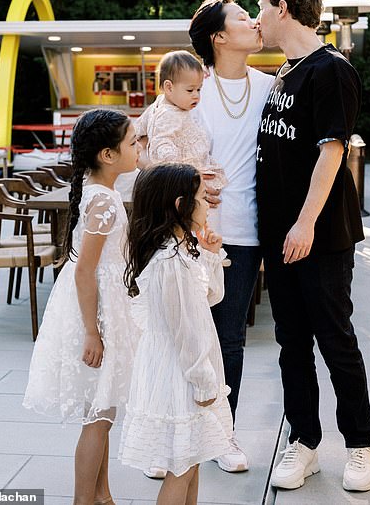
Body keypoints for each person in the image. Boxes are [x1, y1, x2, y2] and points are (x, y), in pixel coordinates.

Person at [255, 0, 370, 492]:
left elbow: (333, 152)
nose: (257, 17)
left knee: (335, 340)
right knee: (291, 343)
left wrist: (304, 223)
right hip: (280, 237)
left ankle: (361, 447)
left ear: (283, 7)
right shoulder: (285, 69)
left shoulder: (331, 69)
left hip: (319, 237)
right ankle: (304, 442)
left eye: (261, 6)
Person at [23, 109, 140, 505]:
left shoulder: (97, 191)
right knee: (100, 416)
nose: (139, 147)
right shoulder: (104, 201)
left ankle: (102, 494)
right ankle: (83, 500)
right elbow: (85, 270)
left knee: (101, 411)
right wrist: (94, 331)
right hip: (100, 311)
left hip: (102, 304)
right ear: (108, 155)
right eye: (132, 142)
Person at [187, 0, 273, 472]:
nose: (253, 21)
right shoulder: (192, 89)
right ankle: (178, 433)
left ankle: (224, 435)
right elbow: (162, 147)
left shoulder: (273, 86)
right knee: (183, 334)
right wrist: (193, 182)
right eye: (242, 17)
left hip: (246, 232)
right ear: (219, 37)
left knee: (229, 337)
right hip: (193, 233)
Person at [119, 163, 233, 505]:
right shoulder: (171, 261)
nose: (209, 203)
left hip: (185, 367)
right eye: (202, 197)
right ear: (181, 205)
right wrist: (203, 380)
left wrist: (211, 256)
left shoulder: (182, 251)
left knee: (193, 461)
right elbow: (186, 330)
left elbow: (210, 298)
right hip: (181, 374)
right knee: (181, 467)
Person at [135, 50, 227, 230]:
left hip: (191, 175)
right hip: (186, 179)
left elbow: (138, 129)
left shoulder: (159, 104)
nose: (196, 96)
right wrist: (185, 174)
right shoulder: (169, 115)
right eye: (190, 90)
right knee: (200, 223)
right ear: (169, 87)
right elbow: (162, 147)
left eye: (199, 89)